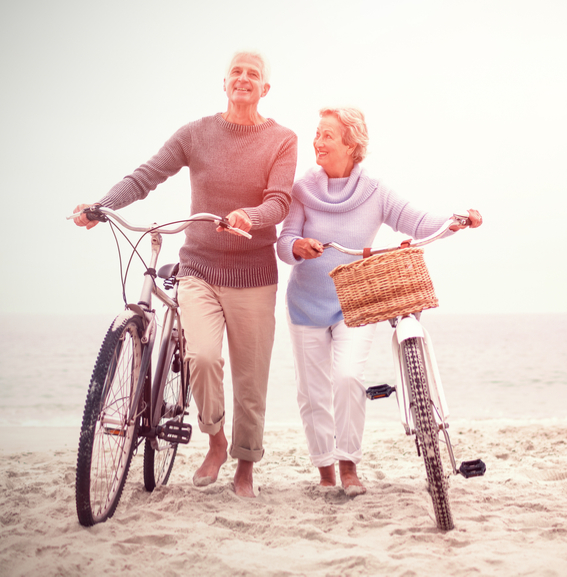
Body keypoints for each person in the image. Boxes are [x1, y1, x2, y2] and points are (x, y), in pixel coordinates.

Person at [72, 50, 297, 498]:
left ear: (265, 88)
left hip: (254, 275)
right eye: (237, 71)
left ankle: (245, 469)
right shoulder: (196, 133)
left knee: (251, 380)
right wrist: (104, 205)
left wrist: (248, 217)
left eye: (254, 74)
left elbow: (279, 203)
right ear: (225, 81)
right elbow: (146, 175)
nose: (244, 79)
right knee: (203, 358)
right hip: (200, 268)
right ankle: (215, 441)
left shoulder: (282, 140)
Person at [276, 107, 481, 495]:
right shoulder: (302, 190)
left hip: (355, 305)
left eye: (327, 135)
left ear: (351, 144)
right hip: (305, 304)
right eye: (316, 133)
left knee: (349, 377)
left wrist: (455, 221)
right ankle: (324, 470)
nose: (317, 141)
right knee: (312, 391)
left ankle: (349, 465)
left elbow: (417, 222)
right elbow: (284, 242)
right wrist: (298, 247)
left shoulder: (374, 190)